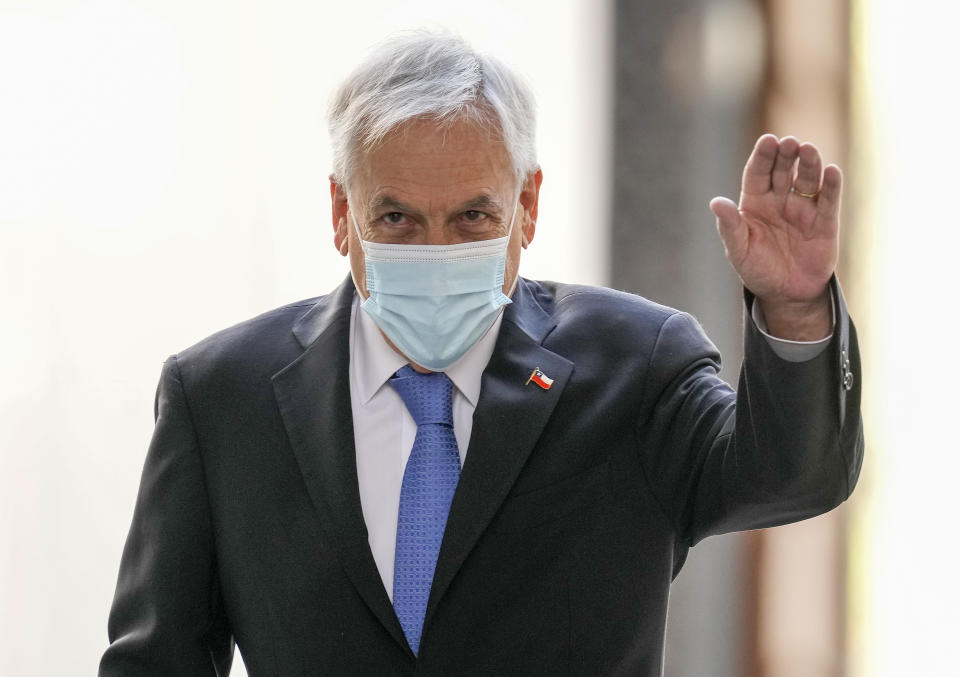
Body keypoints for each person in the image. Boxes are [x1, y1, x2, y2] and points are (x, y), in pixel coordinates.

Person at [99, 30, 863, 676]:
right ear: (341, 212)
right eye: (396, 218)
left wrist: (793, 307)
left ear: (526, 207)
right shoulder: (224, 398)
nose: (436, 250)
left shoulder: (636, 367)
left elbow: (790, 473)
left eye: (471, 217)